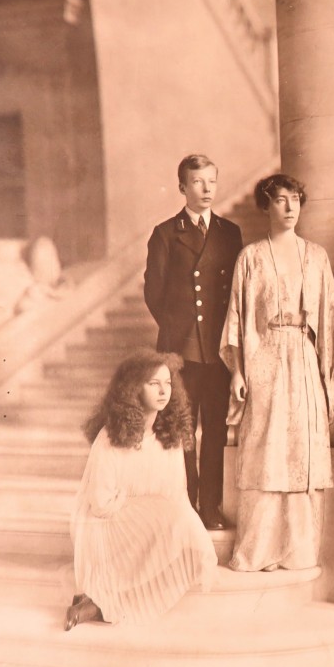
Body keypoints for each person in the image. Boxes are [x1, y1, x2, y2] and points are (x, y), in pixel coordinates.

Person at [219, 174, 334, 572]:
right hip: (266, 356)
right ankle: (259, 549)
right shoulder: (251, 257)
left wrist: (329, 371)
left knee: (301, 449)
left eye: (295, 200)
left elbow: (330, 315)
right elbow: (239, 317)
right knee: (266, 448)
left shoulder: (316, 256)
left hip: (305, 357)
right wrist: (239, 371)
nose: (290, 208)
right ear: (266, 206)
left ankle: (298, 551)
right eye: (280, 200)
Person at [65, 349, 218, 630]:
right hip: (104, 522)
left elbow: (176, 495)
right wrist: (142, 507)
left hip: (145, 518)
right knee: (167, 516)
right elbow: (99, 503)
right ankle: (99, 601)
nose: (163, 391)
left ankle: (99, 602)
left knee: (184, 524)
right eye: (153, 383)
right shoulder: (112, 436)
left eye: (168, 383)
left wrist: (188, 532)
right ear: (134, 389)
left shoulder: (169, 434)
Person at [144, 154, 243, 530]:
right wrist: (179, 335)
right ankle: (186, 503)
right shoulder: (166, 233)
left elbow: (235, 291)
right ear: (183, 187)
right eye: (198, 182)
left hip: (217, 351)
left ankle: (211, 508)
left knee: (215, 430)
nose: (206, 190)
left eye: (211, 182)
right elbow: (154, 293)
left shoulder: (229, 233)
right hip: (180, 351)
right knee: (183, 429)